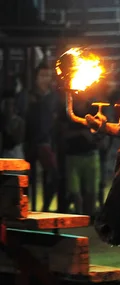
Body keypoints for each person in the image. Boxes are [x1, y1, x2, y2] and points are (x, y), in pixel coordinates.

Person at [59, 91, 103, 217]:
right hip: (73, 156)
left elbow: (101, 130)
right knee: (75, 191)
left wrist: (97, 138)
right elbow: (62, 134)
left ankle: (90, 217)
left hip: (91, 154)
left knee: (92, 191)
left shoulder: (94, 109)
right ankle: (79, 217)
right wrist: (81, 133)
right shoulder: (67, 110)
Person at [24, 62, 60, 211]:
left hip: (47, 142)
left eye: (48, 76)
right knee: (27, 179)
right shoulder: (28, 96)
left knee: (52, 177)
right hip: (30, 142)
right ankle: (24, 208)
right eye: (42, 76)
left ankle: (45, 208)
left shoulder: (54, 97)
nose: (45, 79)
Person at [0, 90, 26, 159]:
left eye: (9, 105)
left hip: (15, 156)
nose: (7, 108)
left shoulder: (19, 121)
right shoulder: (2, 121)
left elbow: (18, 140)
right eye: (5, 105)